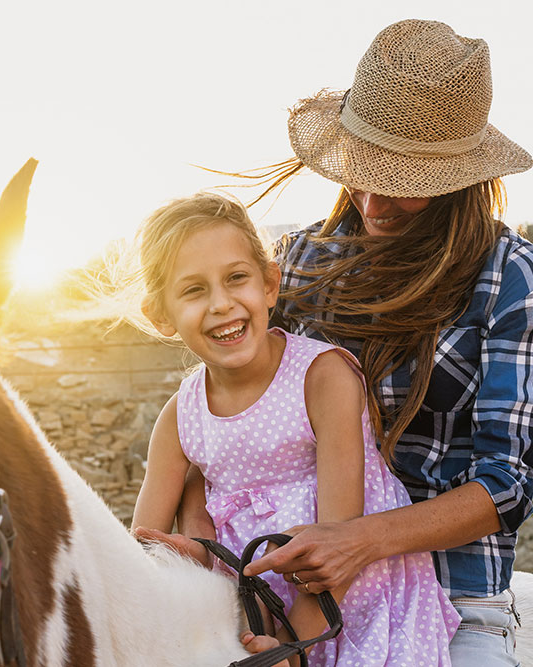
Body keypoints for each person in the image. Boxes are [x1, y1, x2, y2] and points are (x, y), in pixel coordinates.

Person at [163, 19, 533, 665]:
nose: (374, 199)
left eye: (406, 183)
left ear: (459, 177)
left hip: (454, 598)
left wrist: (360, 540)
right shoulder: (300, 261)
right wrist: (202, 540)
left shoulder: (511, 278)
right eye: (364, 168)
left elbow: (506, 484)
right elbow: (226, 422)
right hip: (284, 595)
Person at [128, 191, 459, 664]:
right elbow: (144, 553)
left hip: (351, 606)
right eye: (194, 290)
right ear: (160, 314)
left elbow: (337, 539)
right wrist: (195, 559)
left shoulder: (322, 377)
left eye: (236, 279)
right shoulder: (179, 419)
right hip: (251, 623)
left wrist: (293, 651)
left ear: (269, 285)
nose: (221, 304)